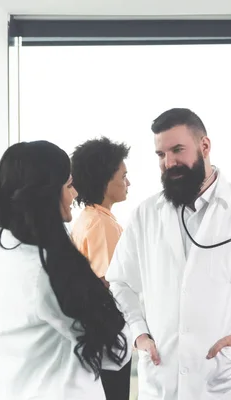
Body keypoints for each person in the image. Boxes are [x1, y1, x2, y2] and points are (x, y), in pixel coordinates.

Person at [106, 108, 231, 400]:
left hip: (228, 384)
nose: (169, 162)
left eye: (177, 150)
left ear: (205, 146)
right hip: (162, 385)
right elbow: (120, 282)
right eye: (160, 155)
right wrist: (138, 332)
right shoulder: (146, 215)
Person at [0, 140, 131, 400]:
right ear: (47, 194)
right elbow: (115, 352)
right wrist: (111, 298)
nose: (73, 194)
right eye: (68, 185)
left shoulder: (1, 257)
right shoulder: (48, 273)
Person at [70, 137, 132, 400]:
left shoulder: (88, 219)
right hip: (110, 342)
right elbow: (110, 285)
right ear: (106, 181)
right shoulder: (101, 225)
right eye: (124, 176)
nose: (128, 183)